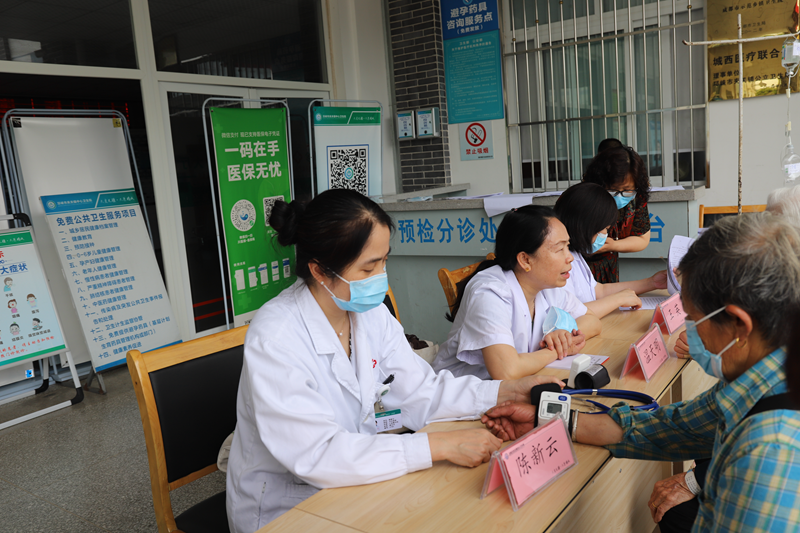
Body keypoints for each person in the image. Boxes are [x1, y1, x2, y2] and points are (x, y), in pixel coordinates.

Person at [225, 189, 563, 533]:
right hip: (288, 506)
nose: (381, 277)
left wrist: (506, 392)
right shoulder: (276, 336)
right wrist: (435, 445)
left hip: (359, 480)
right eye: (369, 267)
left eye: (384, 261)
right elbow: (317, 454)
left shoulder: (369, 314)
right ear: (320, 270)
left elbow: (420, 391)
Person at [482, 213, 800, 533]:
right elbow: (675, 427)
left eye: (693, 318)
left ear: (739, 325)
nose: (688, 331)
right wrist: (552, 419)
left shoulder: (769, 450)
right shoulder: (758, 379)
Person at [431, 206, 601, 381]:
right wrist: (557, 349)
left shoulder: (546, 286)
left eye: (568, 246)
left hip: (514, 385)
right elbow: (507, 371)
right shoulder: (489, 293)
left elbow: (592, 321)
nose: (570, 257)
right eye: (559, 249)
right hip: (462, 391)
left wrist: (563, 333)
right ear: (525, 260)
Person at [554, 182, 668, 318]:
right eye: (605, 229)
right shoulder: (558, 263)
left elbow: (599, 291)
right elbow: (569, 314)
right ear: (587, 225)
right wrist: (618, 299)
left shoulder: (575, 255)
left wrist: (652, 282)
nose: (605, 235)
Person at [583, 146, 651, 283]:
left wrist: (613, 245)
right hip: (576, 267)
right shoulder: (580, 198)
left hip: (608, 268)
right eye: (612, 190)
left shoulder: (636, 198)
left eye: (627, 190)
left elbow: (642, 238)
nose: (619, 196)